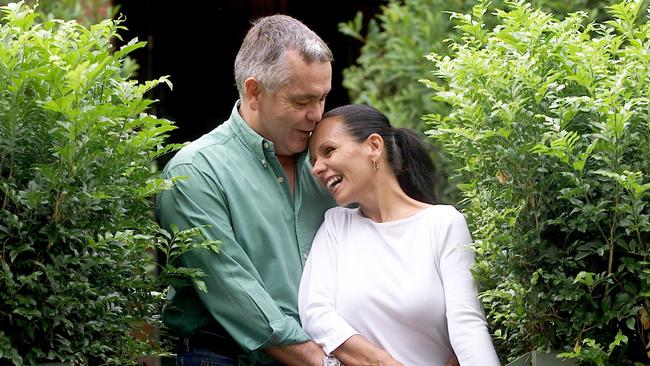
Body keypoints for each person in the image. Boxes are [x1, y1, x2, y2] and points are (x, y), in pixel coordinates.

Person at [156, 15, 337, 366]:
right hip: (227, 356)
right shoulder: (195, 172)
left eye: (323, 98)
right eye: (301, 102)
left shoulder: (332, 162)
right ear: (254, 92)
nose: (317, 115)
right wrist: (326, 362)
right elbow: (235, 294)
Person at [298, 104, 501, 366]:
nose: (316, 169)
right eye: (314, 161)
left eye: (329, 151)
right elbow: (315, 313)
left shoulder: (443, 223)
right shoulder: (336, 226)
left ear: (373, 146)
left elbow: (468, 326)